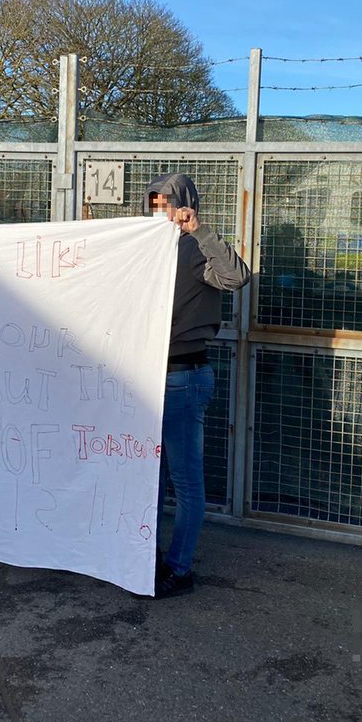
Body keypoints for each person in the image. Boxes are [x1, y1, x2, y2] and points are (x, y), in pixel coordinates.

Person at [144, 173, 251, 598]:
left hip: (182, 378)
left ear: (184, 204)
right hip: (148, 377)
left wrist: (199, 229)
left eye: (167, 202)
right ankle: (146, 558)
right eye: (153, 202)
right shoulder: (147, 249)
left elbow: (235, 277)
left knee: (185, 482)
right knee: (149, 478)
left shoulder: (192, 245)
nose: (160, 210)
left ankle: (179, 569)